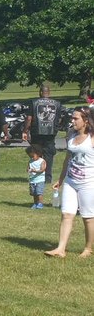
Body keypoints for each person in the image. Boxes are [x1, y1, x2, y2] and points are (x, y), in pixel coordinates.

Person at [45, 107, 94, 259]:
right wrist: (60, 180)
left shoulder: (92, 137)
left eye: (75, 118)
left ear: (85, 120)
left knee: (88, 217)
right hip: (71, 181)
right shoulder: (71, 135)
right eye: (72, 118)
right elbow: (67, 159)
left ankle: (88, 248)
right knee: (66, 214)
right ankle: (61, 249)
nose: (72, 121)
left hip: (88, 182)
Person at [22, 83, 62, 184]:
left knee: (36, 153)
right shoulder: (57, 103)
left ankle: (36, 175)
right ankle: (48, 178)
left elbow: (29, 118)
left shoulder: (33, 102)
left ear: (40, 92)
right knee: (49, 155)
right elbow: (59, 119)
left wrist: (25, 130)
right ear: (49, 92)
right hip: (50, 132)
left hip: (37, 132)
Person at [26, 146, 46, 210]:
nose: (31, 158)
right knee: (34, 193)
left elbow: (42, 170)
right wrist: (28, 170)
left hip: (40, 180)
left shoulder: (42, 161)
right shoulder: (30, 161)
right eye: (30, 156)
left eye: (33, 156)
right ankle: (35, 203)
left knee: (39, 192)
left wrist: (35, 171)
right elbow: (28, 168)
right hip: (32, 180)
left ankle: (40, 203)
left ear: (38, 154)